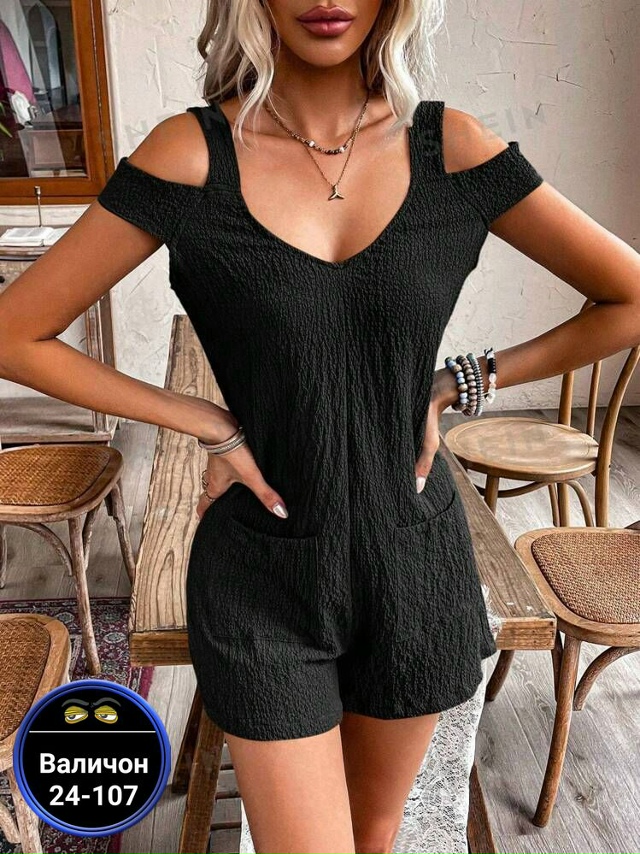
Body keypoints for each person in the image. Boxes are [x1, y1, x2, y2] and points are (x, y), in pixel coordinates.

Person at [1, 0, 639, 850]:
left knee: (374, 839)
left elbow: (628, 295)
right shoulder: (191, 155)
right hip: (263, 573)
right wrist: (204, 421)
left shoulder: (451, 150)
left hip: (414, 567)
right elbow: (15, 332)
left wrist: (464, 380)